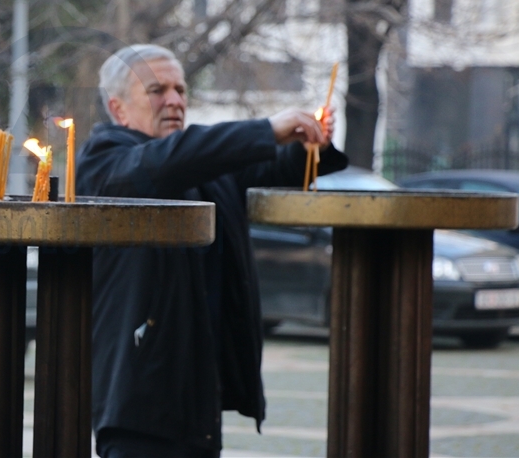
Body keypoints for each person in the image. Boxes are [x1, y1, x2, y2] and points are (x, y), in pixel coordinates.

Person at [76, 44, 348, 457]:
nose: (174, 101)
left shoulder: (200, 165)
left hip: (198, 401)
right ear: (119, 109)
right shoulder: (105, 160)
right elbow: (159, 167)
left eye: (181, 90)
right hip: (137, 401)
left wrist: (310, 143)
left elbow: (269, 167)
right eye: (157, 90)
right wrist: (265, 128)